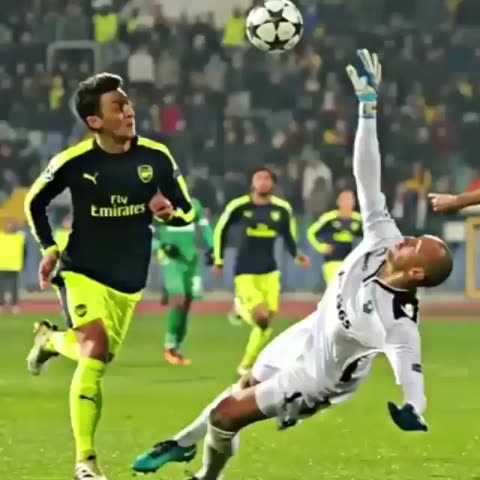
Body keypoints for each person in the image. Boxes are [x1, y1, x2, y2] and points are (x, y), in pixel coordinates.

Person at [131, 50, 454, 479]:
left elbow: (409, 367)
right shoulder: (383, 237)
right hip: (308, 330)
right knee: (243, 385)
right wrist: (368, 109)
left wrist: (414, 407)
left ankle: (206, 476)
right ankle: (183, 443)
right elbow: (367, 176)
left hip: (319, 376)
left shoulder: (396, 318)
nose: (407, 238)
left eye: (416, 245)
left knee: (227, 416)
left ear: (415, 273)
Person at [24, 73, 194, 480]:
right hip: (81, 269)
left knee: (97, 354)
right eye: (118, 107)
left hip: (129, 279)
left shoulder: (157, 158)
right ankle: (86, 461)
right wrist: (49, 247)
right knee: (95, 348)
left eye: (128, 103)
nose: (129, 111)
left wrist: (169, 213)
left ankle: (50, 340)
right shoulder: (73, 162)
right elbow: (34, 202)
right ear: (94, 121)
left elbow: (188, 210)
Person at [213, 167, 310, 376]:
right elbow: (221, 229)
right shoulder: (240, 206)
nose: (263, 182)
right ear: (252, 182)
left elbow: (289, 235)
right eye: (259, 178)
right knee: (262, 318)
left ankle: (246, 364)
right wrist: (218, 259)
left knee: (267, 322)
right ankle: (240, 307)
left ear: (273, 183)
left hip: (270, 271)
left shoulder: (282, 209)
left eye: (267, 178)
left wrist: (297, 254)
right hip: (245, 271)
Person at [153, 197, 214, 365]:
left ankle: (177, 347)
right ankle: (169, 346)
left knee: (186, 304)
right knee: (179, 300)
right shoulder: (158, 204)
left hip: (190, 259)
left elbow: (205, 227)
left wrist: (213, 247)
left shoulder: (194, 204)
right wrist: (159, 246)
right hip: (170, 257)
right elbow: (143, 231)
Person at [307, 189, 362, 285]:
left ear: (354, 202)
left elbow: (370, 236)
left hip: (350, 263)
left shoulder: (358, 220)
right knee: (335, 288)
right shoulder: (329, 219)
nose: (347, 202)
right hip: (332, 262)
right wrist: (320, 247)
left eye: (350, 199)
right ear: (338, 202)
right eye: (344, 199)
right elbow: (310, 233)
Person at [0, 218, 26, 314]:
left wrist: (23, 263)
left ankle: (14, 305)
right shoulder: (1, 236)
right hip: (2, 266)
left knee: (14, 287)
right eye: (8, 224)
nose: (10, 226)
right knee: (1, 287)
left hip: (14, 266)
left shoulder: (19, 237)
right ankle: (1, 305)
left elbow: (24, 252)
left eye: (12, 225)